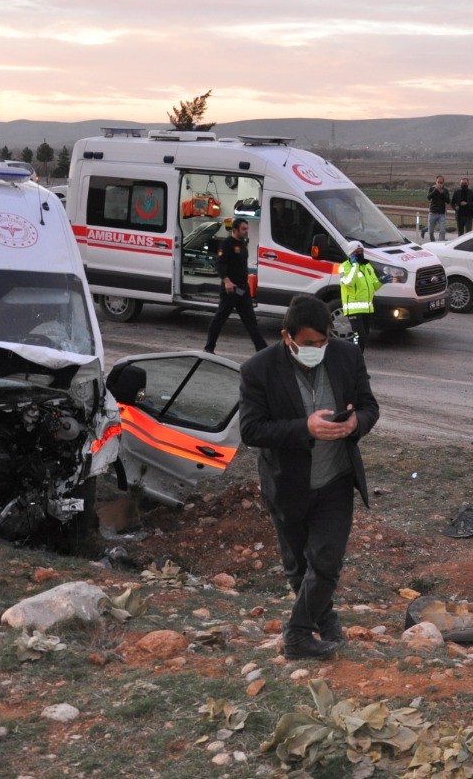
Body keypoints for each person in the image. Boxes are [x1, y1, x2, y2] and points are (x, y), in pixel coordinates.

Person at [239, 295, 380, 659]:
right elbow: (252, 430)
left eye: (323, 341)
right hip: (288, 483)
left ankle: (297, 635)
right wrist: (305, 427)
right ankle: (326, 620)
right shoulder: (259, 369)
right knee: (299, 567)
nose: (318, 348)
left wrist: (355, 423)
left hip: (335, 479)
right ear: (288, 337)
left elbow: (369, 406)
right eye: (309, 343)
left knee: (327, 561)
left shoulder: (346, 356)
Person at [204, 218, 267, 352]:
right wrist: (227, 281)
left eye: (247, 228)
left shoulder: (243, 243)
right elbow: (220, 264)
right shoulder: (227, 244)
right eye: (243, 229)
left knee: (251, 321)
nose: (246, 231)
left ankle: (262, 350)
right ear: (235, 230)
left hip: (242, 289)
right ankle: (209, 348)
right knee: (220, 318)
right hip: (230, 290)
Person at [336, 241, 381, 350]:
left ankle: (355, 355)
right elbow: (348, 283)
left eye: (361, 251)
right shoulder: (344, 267)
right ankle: (354, 356)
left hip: (367, 308)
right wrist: (355, 266)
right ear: (351, 254)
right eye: (357, 252)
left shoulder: (367, 266)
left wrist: (381, 282)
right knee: (359, 336)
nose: (360, 253)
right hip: (353, 309)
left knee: (364, 336)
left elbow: (373, 286)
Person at [426, 176, 451, 242]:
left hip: (441, 214)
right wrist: (435, 190)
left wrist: (442, 193)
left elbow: (448, 201)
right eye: (438, 182)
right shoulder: (431, 189)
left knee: (443, 230)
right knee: (431, 231)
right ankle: (432, 241)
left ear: (443, 182)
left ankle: (441, 242)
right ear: (436, 181)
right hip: (432, 213)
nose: (440, 183)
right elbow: (429, 197)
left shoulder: (445, 190)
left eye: (441, 182)